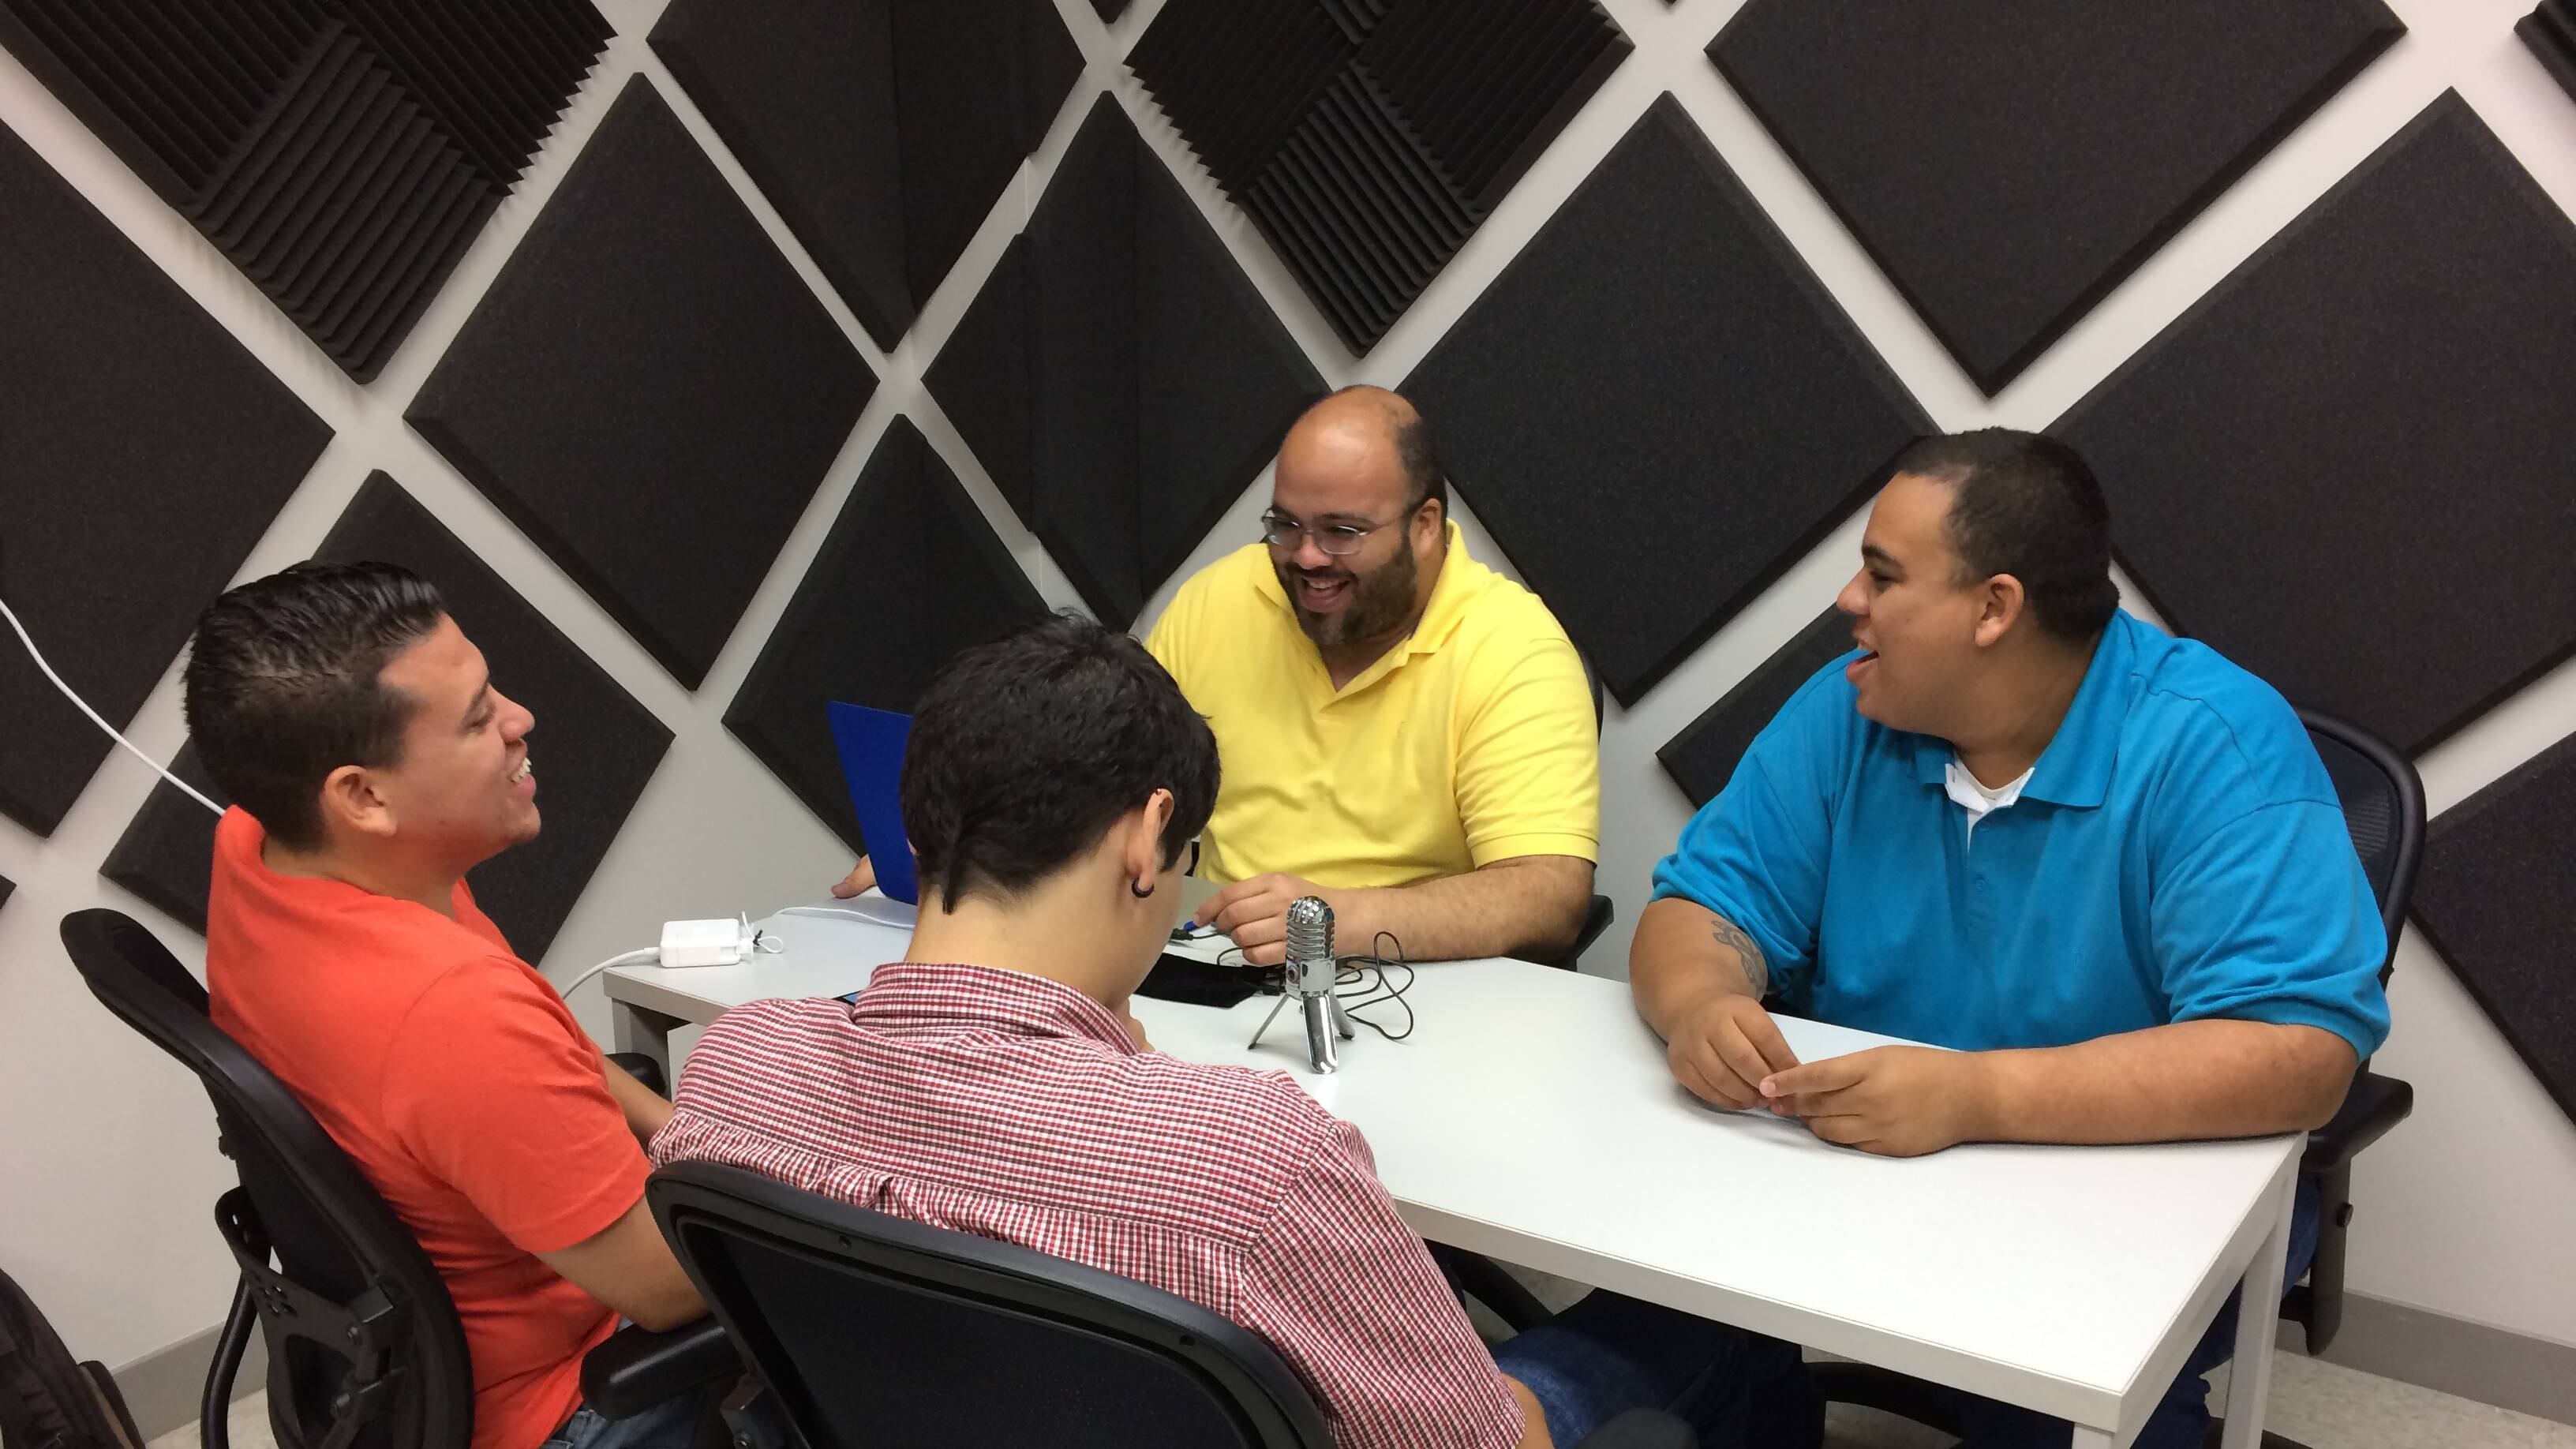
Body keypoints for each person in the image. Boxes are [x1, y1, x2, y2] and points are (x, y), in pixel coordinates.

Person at [665, 614, 1769, 1448]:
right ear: (1149, 840)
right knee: (1711, 1337)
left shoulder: (738, 1071)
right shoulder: (1251, 1162)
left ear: (918, 824)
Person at [1629, 429, 2391, 1447]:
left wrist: (1976, 1097)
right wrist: (1702, 1002)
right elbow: (1699, 908)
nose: (1849, 601)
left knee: (2050, 1396)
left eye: (1882, 575)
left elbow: (2298, 1054)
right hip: (1861, 1155)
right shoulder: (1851, 706)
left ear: (1994, 608)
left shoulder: (2216, 742)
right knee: (1665, 1309)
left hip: (2135, 1189)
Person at [187, 563, 709, 1449]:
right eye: (476, 720)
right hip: (570, 1405)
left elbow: (546, 1052)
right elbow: (664, 1289)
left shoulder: (262, 843)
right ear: (363, 796)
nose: (520, 720)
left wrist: (687, 1131)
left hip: (405, 1379)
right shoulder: (453, 1015)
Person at [837, 385, 1601, 968]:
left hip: (1400, 988)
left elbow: (1548, 893)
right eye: (1286, 525)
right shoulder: (1221, 599)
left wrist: (1341, 920)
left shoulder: (1515, 649)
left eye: (1341, 532)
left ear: (1424, 526)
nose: (1306, 558)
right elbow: (1094, 784)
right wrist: (965, 857)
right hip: (1197, 957)